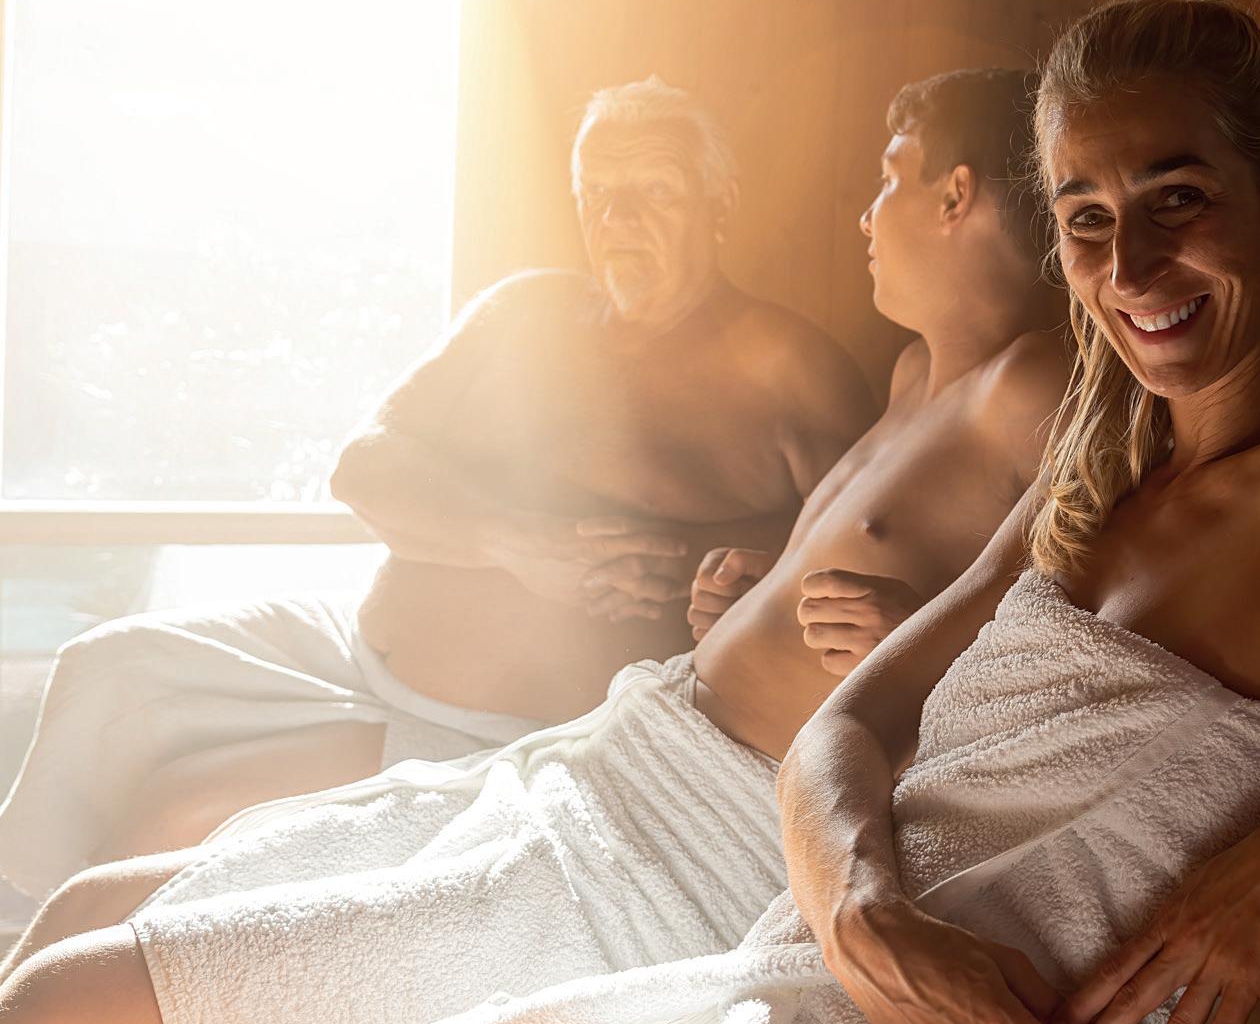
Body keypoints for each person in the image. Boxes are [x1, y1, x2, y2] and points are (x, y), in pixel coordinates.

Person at [2, 0, 1260, 1024]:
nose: (1132, 264)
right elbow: (852, 720)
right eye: (1088, 220)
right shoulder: (1106, 463)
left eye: (1178, 196)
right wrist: (868, 922)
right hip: (818, 998)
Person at [0, 67, 1080, 1024]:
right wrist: (741, 592)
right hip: (618, 750)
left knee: (65, 1023)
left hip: (690, 831)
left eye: (889, 179)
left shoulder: (1024, 386)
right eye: (597, 194)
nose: (864, 214)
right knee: (90, 894)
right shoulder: (912, 375)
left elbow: (1074, 655)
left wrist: (912, 639)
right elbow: (852, 555)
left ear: (955, 195)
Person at [0, 78, 873, 901]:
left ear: (719, 202)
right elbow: (363, 465)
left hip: (504, 728)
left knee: (174, 809)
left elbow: (858, 560)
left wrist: (712, 569)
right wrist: (517, 543)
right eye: (598, 193)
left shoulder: (787, 368)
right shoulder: (524, 312)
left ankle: (61, 975)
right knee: (100, 672)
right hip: (353, 644)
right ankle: (24, 919)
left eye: (653, 191)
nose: (619, 219)